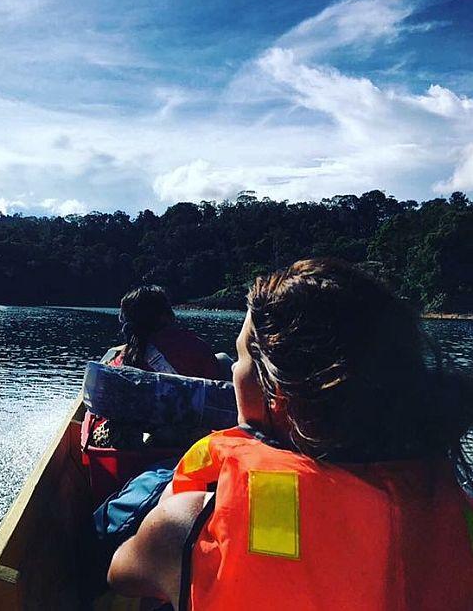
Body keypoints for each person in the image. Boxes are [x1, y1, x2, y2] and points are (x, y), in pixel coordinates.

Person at [107, 258, 473, 610]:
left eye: (240, 360)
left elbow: (121, 574)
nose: (233, 371)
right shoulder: (460, 515)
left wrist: (172, 497)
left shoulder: (185, 524)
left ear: (274, 392)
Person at [91, 285, 221, 449]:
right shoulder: (197, 347)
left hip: (140, 447)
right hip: (189, 442)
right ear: (167, 315)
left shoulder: (124, 359)